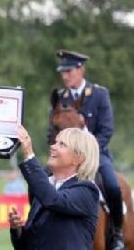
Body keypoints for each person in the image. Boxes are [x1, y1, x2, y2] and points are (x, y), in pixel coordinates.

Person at [48, 50, 124, 249]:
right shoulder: (59, 98)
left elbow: (107, 130)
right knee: (39, 180)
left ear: (81, 70)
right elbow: (52, 131)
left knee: (113, 187)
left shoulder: (99, 94)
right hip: (65, 157)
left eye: (69, 71)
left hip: (97, 155)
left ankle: (117, 233)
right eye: (63, 72)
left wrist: (88, 153)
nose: (65, 76)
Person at [9, 126, 100, 250]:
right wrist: (17, 230)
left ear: (78, 158)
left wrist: (29, 155)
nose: (53, 146)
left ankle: (116, 235)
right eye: (55, 142)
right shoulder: (45, 189)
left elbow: (53, 199)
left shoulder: (87, 191)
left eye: (62, 144)